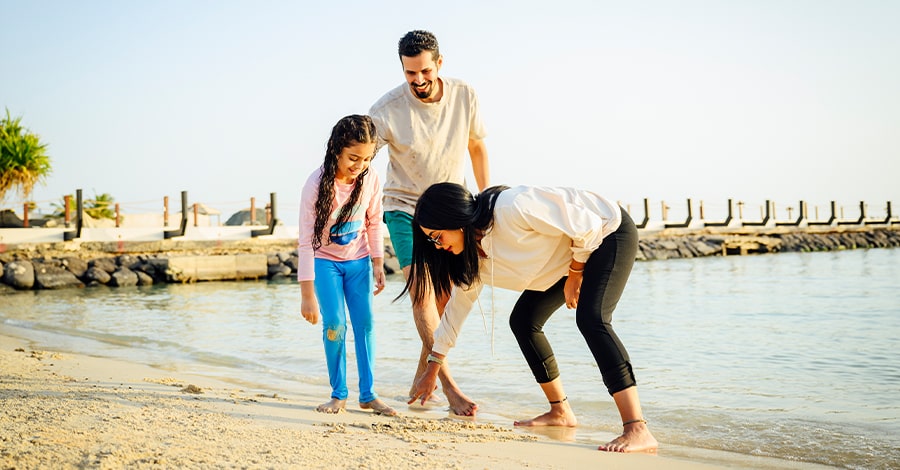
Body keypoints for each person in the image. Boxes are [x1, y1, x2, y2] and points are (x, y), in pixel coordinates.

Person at [403, 182, 659, 453]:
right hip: (569, 258)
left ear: (454, 219)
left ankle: (637, 428)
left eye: (437, 236)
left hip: (608, 232)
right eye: (430, 240)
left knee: (591, 318)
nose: (437, 246)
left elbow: (588, 226)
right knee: (523, 321)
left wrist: (575, 273)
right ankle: (560, 412)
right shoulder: (472, 259)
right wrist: (433, 368)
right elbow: (456, 311)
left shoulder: (513, 207)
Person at [369, 29, 489, 417]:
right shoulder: (386, 110)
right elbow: (359, 160)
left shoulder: (464, 95)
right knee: (422, 295)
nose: (418, 80)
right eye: (409, 74)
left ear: (439, 63)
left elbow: (476, 146)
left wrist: (486, 200)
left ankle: (421, 381)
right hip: (404, 208)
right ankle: (449, 387)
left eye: (424, 71)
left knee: (443, 300)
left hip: (452, 210)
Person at [298, 114, 396, 417]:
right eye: (353, 157)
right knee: (335, 325)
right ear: (336, 149)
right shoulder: (315, 184)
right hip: (326, 264)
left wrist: (378, 263)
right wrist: (306, 295)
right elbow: (304, 241)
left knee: (365, 324)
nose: (360, 165)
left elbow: (374, 222)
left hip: (359, 263)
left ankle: (368, 395)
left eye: (366, 159)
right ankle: (338, 394)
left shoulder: (372, 179)